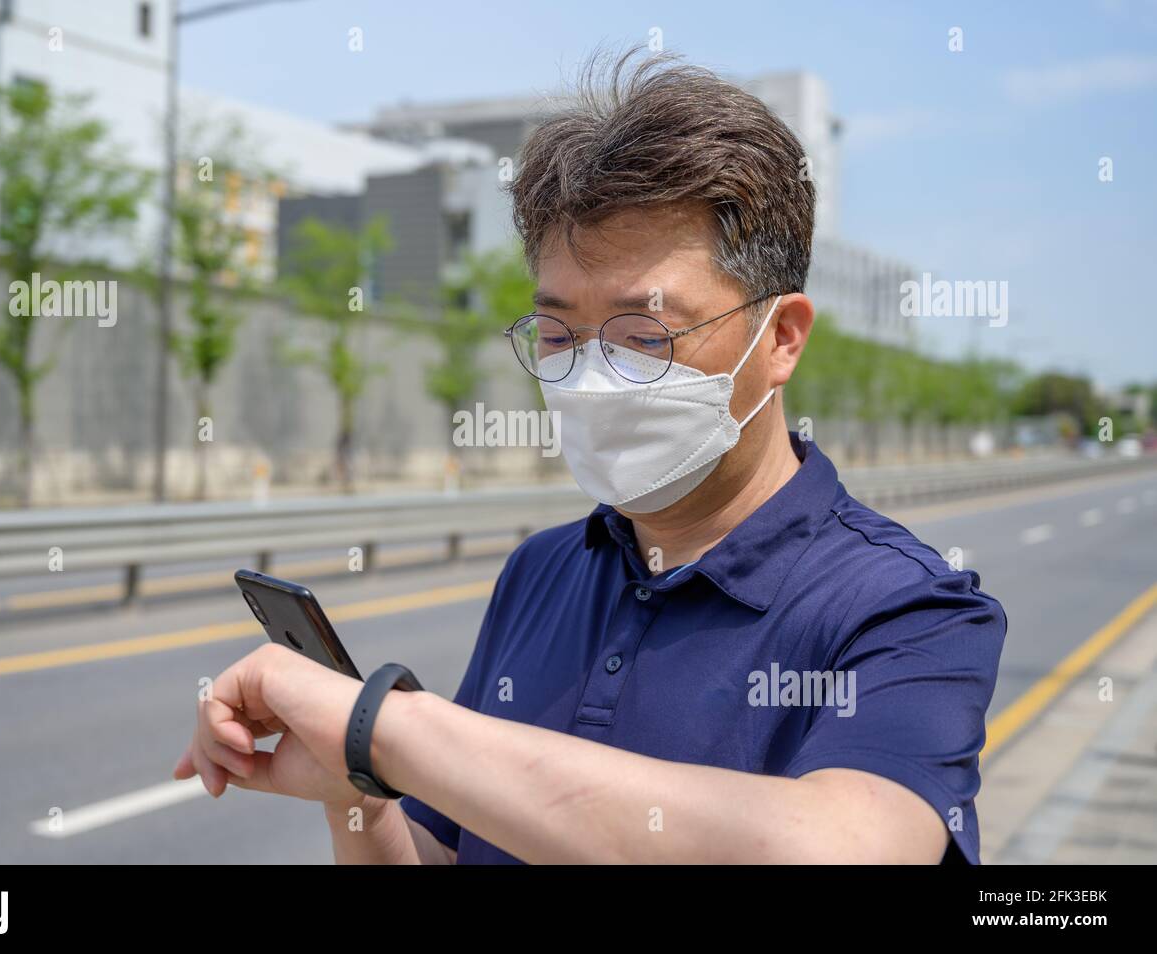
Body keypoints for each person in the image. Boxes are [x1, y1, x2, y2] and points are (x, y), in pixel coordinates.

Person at [174, 49, 1006, 864]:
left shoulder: (906, 612)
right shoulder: (542, 571)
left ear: (780, 338)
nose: (592, 374)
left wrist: (380, 727)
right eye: (559, 334)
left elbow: (841, 846)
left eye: (645, 335)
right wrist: (357, 794)